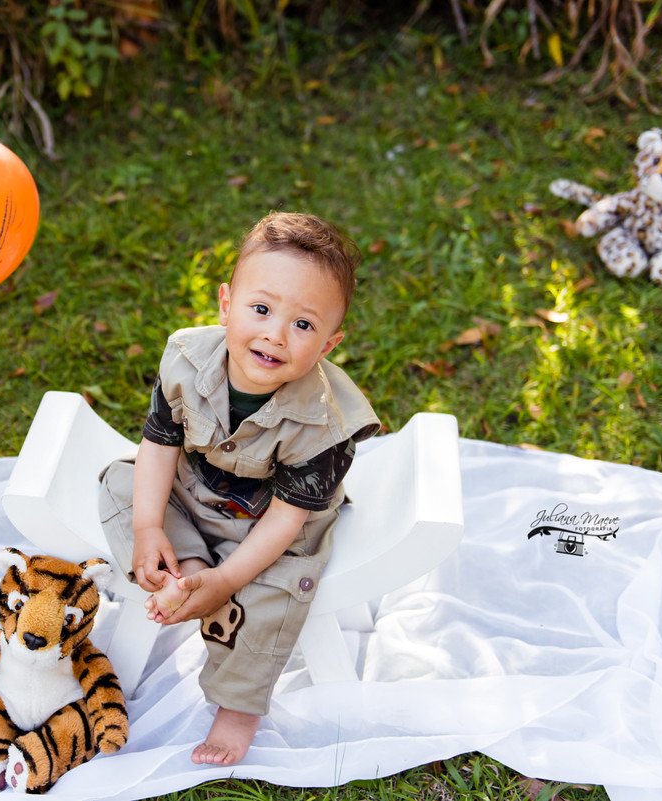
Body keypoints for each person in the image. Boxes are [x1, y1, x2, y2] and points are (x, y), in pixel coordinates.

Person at [98, 211, 381, 766]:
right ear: (226, 304)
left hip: (272, 525)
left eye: (304, 325)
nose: (275, 334)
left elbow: (287, 519)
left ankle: (238, 708)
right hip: (195, 492)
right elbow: (158, 444)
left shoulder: (326, 423)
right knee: (121, 480)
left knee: (275, 591)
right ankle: (182, 565)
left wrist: (229, 580)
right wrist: (149, 525)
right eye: (262, 309)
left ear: (329, 344)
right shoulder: (185, 359)